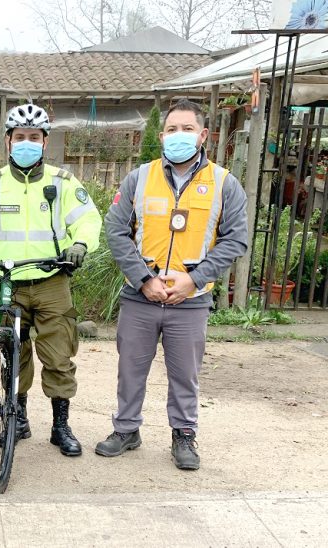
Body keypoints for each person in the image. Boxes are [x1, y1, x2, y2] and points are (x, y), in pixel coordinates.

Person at [0, 104, 102, 456]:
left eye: (34, 137)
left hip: (51, 280)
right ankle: (18, 417)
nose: (27, 143)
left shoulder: (63, 183)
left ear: (44, 142)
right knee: (13, 353)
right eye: (20, 137)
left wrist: (80, 244)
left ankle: (60, 426)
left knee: (58, 357)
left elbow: (87, 219)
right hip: (4, 282)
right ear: (8, 142)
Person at [96, 99, 248, 470]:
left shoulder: (224, 183)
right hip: (140, 297)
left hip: (190, 302)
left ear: (203, 136)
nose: (179, 136)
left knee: (185, 374)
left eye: (187, 129)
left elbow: (236, 239)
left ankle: (184, 435)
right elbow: (116, 231)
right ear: (162, 135)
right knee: (130, 369)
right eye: (172, 129)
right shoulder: (139, 177)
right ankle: (127, 429)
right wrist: (143, 279)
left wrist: (193, 279)